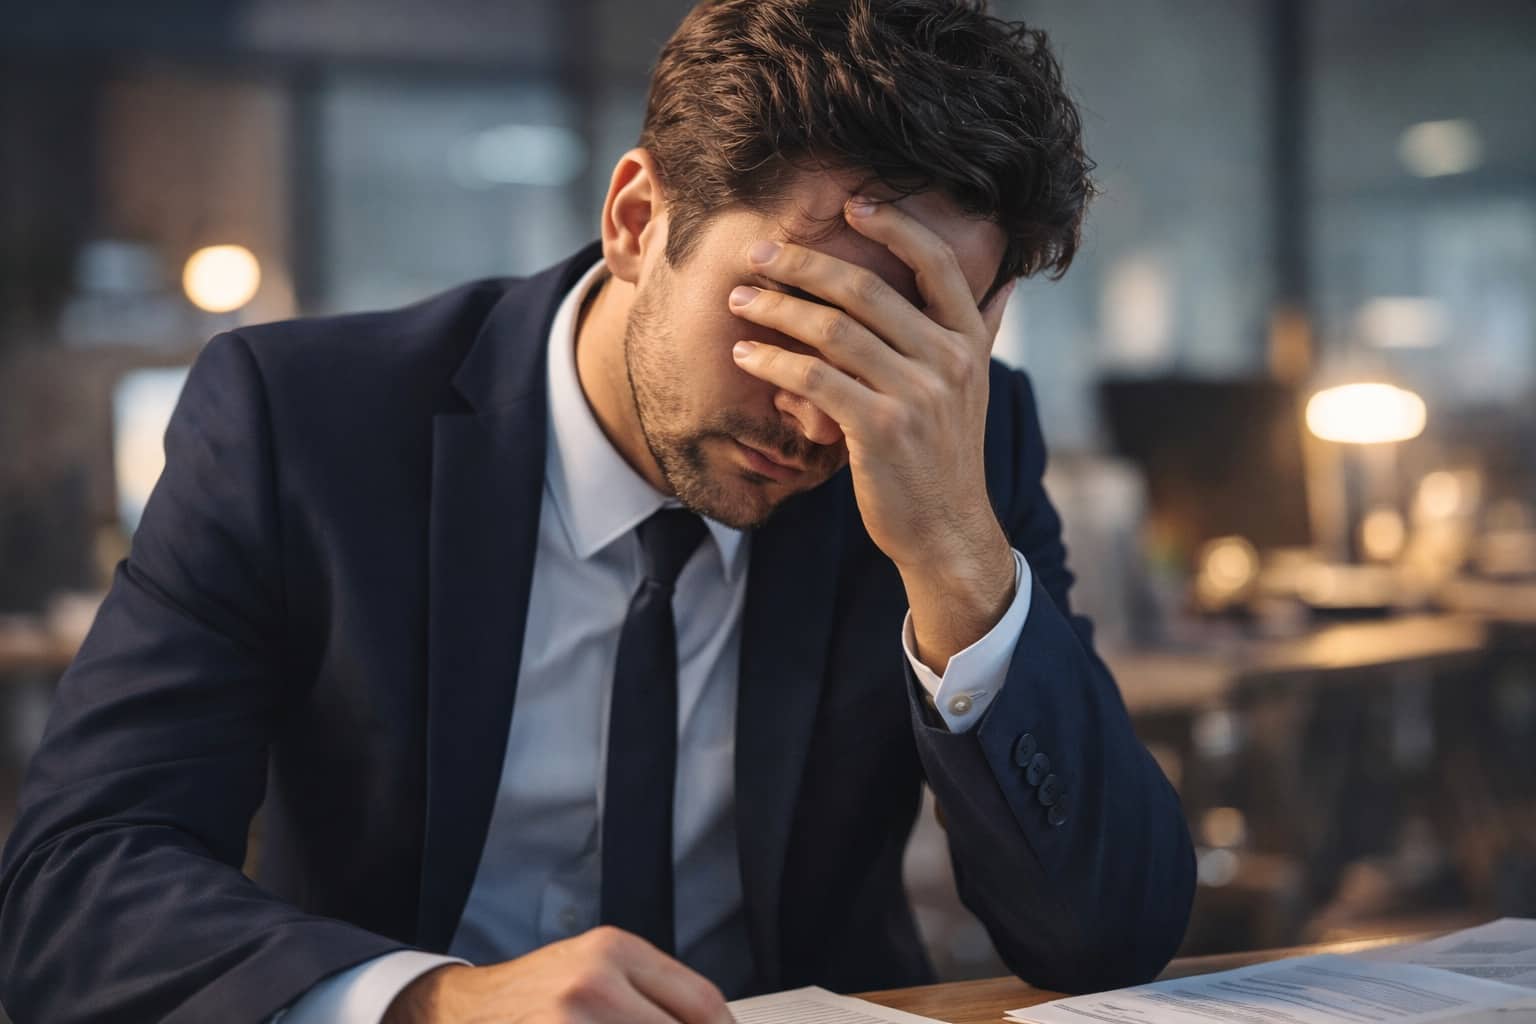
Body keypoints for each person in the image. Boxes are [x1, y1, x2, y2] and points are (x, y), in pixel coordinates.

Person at [0, 2, 1196, 1021]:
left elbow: (1109, 938)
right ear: (637, 220)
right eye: (791, 320)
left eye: (899, 344)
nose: (826, 418)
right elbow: (72, 883)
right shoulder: (305, 425)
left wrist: (954, 553)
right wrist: (434, 1000)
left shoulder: (944, 453)